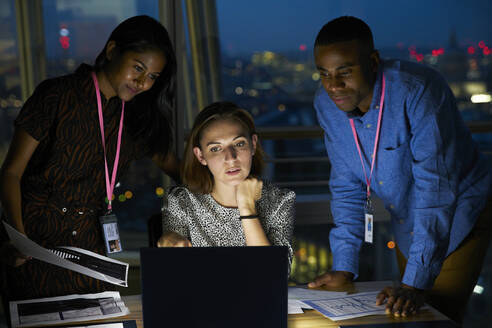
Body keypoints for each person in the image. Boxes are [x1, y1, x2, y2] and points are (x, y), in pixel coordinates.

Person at [308, 16, 491, 323]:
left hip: (459, 210)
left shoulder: (419, 90)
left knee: (434, 315)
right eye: (324, 74)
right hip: (407, 220)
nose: (333, 86)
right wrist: (344, 265)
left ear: (373, 61)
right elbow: (346, 186)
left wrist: (414, 283)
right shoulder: (326, 104)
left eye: (345, 72)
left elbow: (436, 189)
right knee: (404, 313)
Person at [0, 15, 179, 313]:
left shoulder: (135, 118)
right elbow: (11, 173)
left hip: (92, 256)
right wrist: (17, 238)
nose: (143, 83)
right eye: (138, 68)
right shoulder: (56, 96)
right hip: (35, 250)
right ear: (112, 51)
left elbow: (182, 171)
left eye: (152, 77)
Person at [157, 101, 295, 267]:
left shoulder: (280, 201)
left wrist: (247, 207)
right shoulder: (181, 201)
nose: (230, 158)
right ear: (200, 156)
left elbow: (274, 273)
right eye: (216, 148)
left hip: (257, 294)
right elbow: (173, 270)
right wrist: (169, 241)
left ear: (253, 144)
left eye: (239, 144)